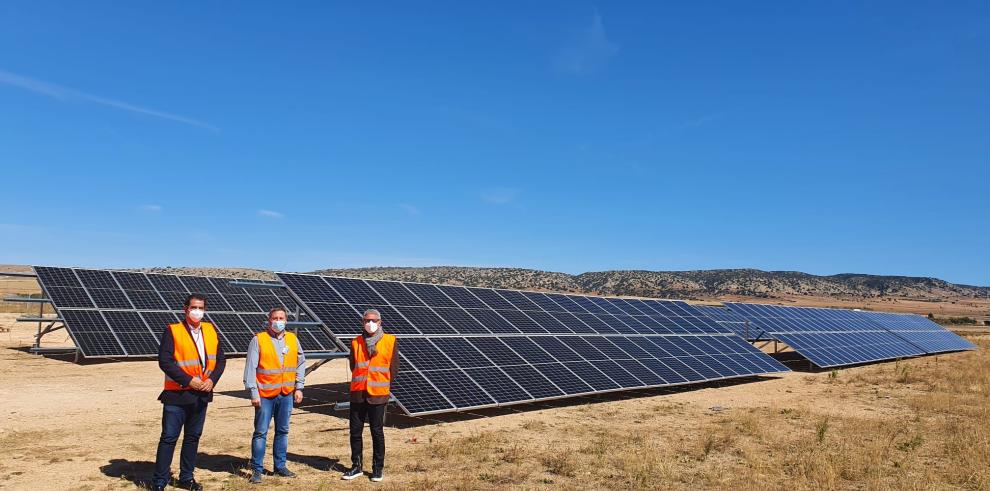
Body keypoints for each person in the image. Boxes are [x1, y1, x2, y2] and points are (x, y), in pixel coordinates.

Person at [152, 294, 226, 491]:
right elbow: (165, 361)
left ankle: (187, 478)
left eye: (201, 307)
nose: (197, 311)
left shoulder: (210, 330)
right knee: (169, 437)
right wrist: (188, 380)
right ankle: (159, 481)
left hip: (202, 394)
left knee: (193, 438)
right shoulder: (173, 331)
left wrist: (212, 381)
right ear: (185, 309)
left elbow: (220, 360)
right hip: (177, 394)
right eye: (193, 307)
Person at [243, 307, 306, 483]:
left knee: (283, 431)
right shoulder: (259, 340)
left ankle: (280, 466)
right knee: (261, 432)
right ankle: (257, 469)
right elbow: (250, 369)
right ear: (269, 320)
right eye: (275, 318)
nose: (278, 321)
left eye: (281, 318)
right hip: (265, 394)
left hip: (286, 394)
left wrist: (299, 387)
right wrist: (253, 393)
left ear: (286, 320)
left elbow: (301, 362)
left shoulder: (293, 339)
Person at [341, 309, 398, 483]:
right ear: (362, 322)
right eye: (367, 320)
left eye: (373, 320)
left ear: (380, 322)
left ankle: (377, 469)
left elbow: (393, 368)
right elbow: (354, 366)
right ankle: (356, 466)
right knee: (355, 432)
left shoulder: (390, 340)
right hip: (358, 393)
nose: (370, 323)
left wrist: (381, 383)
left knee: (377, 432)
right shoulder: (356, 342)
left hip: (378, 395)